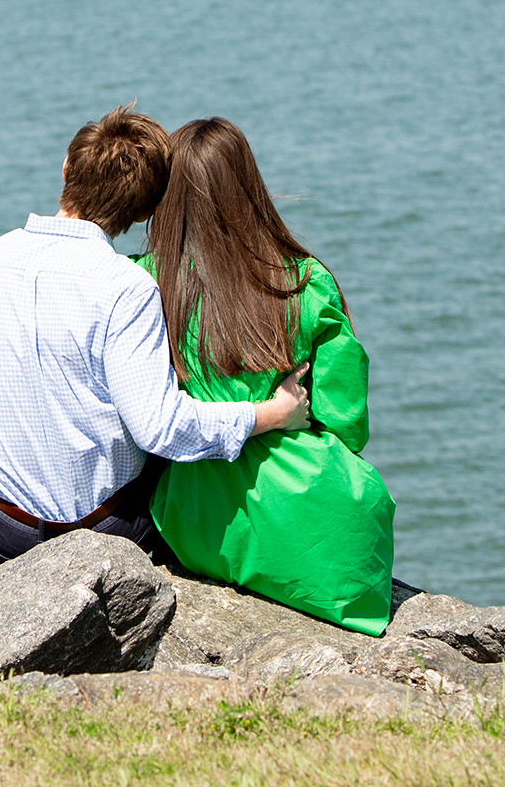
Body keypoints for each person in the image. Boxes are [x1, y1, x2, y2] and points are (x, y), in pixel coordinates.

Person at [0, 104, 310, 564]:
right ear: (142, 213)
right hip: (106, 534)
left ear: (66, 168)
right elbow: (162, 430)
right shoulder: (128, 288)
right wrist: (274, 413)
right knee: (156, 402)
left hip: (2, 533)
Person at [136, 118, 395, 635]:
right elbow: (349, 424)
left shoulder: (146, 283)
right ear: (249, 188)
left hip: (196, 516)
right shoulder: (306, 281)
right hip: (323, 524)